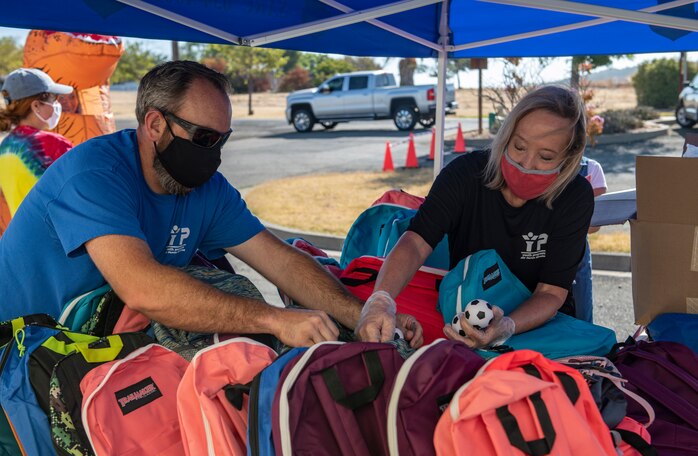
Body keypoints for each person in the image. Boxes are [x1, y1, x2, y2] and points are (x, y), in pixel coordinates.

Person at [0, 61, 422, 348]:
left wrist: (364, 314)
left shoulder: (205, 188)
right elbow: (143, 288)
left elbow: (283, 262)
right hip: (23, 351)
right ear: (154, 124)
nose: (214, 154)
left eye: (222, 140)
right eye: (203, 138)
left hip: (96, 347)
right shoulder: (94, 175)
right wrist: (274, 319)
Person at [355, 85, 593, 349]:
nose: (527, 163)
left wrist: (507, 326)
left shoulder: (575, 197)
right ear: (506, 135)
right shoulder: (464, 175)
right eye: (519, 146)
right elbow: (416, 241)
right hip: (463, 318)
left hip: (539, 326)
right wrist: (381, 299)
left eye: (546, 157)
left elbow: (551, 292)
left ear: (569, 158)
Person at [0, 68, 74, 236]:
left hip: (24, 241)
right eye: (53, 98)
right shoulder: (52, 143)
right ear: (36, 105)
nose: (58, 105)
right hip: (59, 243)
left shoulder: (5, 146)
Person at [572, 156, 607, 323]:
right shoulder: (540, 165)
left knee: (581, 308)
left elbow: (594, 225)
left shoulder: (591, 168)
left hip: (577, 250)